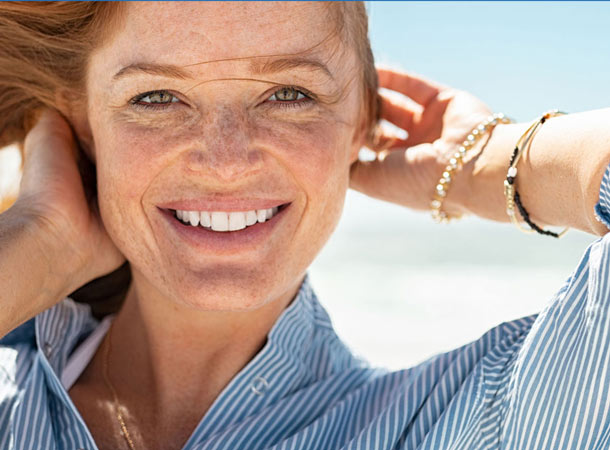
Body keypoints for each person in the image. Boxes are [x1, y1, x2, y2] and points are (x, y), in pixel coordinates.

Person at [1, 2, 609, 449]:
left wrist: (489, 162)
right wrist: (37, 250)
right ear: (80, 123)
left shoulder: (460, 424)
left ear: (361, 125)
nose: (227, 161)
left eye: (288, 94)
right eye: (157, 97)